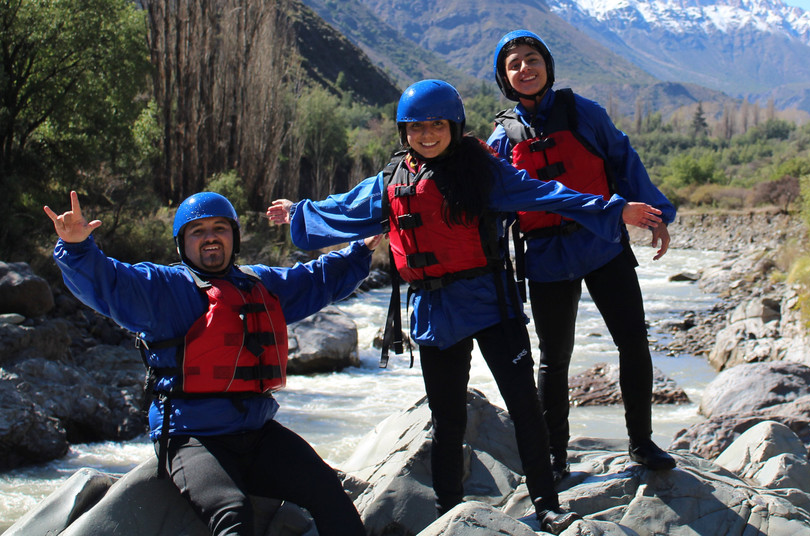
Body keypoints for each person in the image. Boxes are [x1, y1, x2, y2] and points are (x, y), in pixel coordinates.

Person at [266, 79, 662, 534]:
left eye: (437, 125)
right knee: (447, 418)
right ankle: (447, 512)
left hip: (490, 302)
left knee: (523, 406)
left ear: (454, 127)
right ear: (403, 131)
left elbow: (550, 195)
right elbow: (341, 209)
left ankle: (546, 503)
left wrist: (615, 210)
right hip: (435, 313)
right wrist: (299, 212)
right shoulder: (392, 182)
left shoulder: (484, 171)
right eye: (416, 127)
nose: (427, 135)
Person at [44, 190, 372, 536]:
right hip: (191, 436)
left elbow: (316, 280)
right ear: (181, 244)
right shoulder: (163, 288)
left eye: (220, 228)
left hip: (256, 434)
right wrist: (78, 247)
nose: (211, 236)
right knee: (233, 512)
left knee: (329, 492)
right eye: (198, 231)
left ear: (234, 237)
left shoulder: (259, 284)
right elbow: (107, 282)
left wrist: (361, 249)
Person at [486, 29, 679, 480]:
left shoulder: (584, 114)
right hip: (546, 256)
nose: (525, 69)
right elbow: (489, 204)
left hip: (603, 244)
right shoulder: (501, 138)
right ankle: (554, 456)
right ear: (505, 78)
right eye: (514, 65)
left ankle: (642, 443)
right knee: (554, 358)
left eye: (532, 59)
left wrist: (656, 216)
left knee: (632, 341)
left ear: (547, 66)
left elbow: (624, 162)